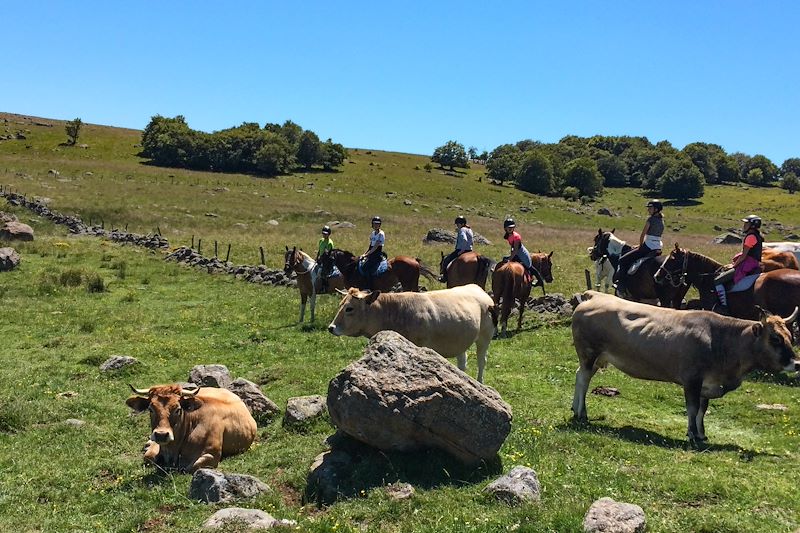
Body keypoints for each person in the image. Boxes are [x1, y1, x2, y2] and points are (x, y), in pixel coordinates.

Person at [713, 214, 763, 312]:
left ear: (752, 225)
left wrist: (733, 266)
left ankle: (724, 306)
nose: (744, 226)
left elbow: (744, 256)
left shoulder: (750, 237)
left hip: (747, 264)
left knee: (717, 281)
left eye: (746, 223)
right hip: (753, 263)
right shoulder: (757, 235)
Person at [614, 199, 664, 294]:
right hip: (657, 246)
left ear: (656, 209)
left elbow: (642, 235)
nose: (648, 210)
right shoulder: (661, 220)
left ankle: (621, 285)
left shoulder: (650, 220)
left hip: (648, 246)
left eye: (650, 208)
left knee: (622, 260)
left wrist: (640, 246)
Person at [502, 218, 543, 286]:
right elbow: (512, 247)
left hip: (522, 254)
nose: (510, 229)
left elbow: (515, 250)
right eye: (509, 227)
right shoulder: (508, 235)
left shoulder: (516, 237)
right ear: (505, 228)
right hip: (516, 253)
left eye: (512, 227)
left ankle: (539, 280)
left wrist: (510, 258)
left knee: (529, 266)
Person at [440, 215, 474, 282]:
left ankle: (444, 277)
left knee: (446, 260)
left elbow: (464, 239)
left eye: (458, 224)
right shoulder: (469, 230)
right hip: (470, 250)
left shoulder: (462, 230)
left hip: (461, 250)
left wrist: (462, 251)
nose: (457, 226)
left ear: (462, 224)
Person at [359, 216, 385, 288]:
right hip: (371, 252)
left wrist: (367, 254)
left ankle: (369, 286)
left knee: (367, 268)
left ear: (380, 225)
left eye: (377, 224)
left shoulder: (381, 234)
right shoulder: (373, 233)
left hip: (376, 253)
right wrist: (364, 254)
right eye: (374, 224)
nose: (376, 225)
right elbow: (370, 245)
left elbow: (376, 246)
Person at [315, 225, 335, 292]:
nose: (324, 235)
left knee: (323, 272)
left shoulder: (330, 243)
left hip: (327, 260)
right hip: (320, 258)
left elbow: (328, 254)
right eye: (323, 233)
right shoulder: (321, 240)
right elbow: (319, 250)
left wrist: (322, 259)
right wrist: (317, 257)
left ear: (329, 234)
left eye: (325, 234)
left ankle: (324, 287)